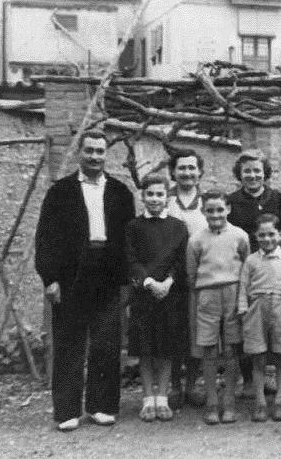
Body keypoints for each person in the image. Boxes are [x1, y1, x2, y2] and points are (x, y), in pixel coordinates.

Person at [35, 129, 135, 431]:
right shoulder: (60, 192)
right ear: (80, 152)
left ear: (107, 154)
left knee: (106, 342)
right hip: (71, 275)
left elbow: (129, 239)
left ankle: (101, 406)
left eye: (100, 151)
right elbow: (46, 238)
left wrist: (128, 279)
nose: (94, 156)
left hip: (107, 272)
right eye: (89, 150)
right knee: (69, 343)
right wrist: (50, 279)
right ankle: (66, 411)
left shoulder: (120, 192)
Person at [125, 174, 189, 422]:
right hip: (143, 295)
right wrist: (150, 283)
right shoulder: (133, 227)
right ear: (142, 196)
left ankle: (162, 397)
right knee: (145, 348)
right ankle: (147, 398)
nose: (154, 199)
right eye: (149, 194)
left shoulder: (177, 227)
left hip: (169, 295)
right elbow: (131, 260)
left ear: (167, 197)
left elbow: (180, 260)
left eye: (159, 194)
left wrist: (168, 283)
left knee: (165, 347)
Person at [186, 191, 250, 425]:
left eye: (220, 209)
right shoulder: (196, 239)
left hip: (233, 292)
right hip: (207, 295)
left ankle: (229, 403)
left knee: (232, 350)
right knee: (209, 350)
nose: (215, 215)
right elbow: (191, 274)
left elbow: (246, 265)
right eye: (210, 210)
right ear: (202, 211)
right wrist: (203, 295)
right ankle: (212, 403)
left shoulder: (239, 235)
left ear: (228, 209)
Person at [227, 149, 281, 398]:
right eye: (247, 171)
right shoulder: (232, 201)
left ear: (265, 173)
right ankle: (249, 377)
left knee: (270, 319)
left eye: (257, 171)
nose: (252, 175)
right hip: (241, 267)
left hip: (270, 267)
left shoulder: (277, 199)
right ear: (240, 174)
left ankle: (269, 375)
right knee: (246, 323)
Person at [237, 213, 281, 423]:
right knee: (258, 358)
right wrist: (244, 310)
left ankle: (280, 400)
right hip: (256, 310)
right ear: (256, 235)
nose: (267, 239)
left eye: (271, 234)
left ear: (280, 234)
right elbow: (243, 288)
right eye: (262, 235)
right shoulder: (251, 261)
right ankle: (260, 403)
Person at [166, 149, 207, 407]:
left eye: (192, 168)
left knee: (195, 330)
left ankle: (192, 384)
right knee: (173, 330)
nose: (187, 173)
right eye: (182, 168)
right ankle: (174, 386)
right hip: (169, 275)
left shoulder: (208, 202)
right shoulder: (165, 199)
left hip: (199, 275)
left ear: (200, 172)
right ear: (173, 172)